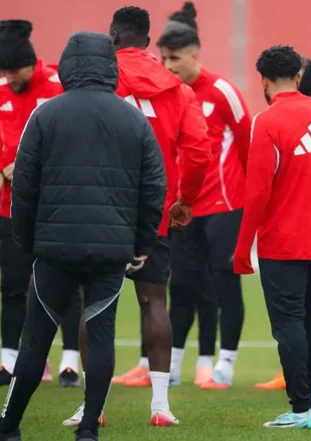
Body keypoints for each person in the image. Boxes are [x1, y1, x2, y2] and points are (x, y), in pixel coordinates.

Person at [0, 30, 166, 441]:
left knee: (35, 339)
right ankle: (89, 428)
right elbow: (153, 187)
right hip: (111, 250)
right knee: (101, 335)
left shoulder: (45, 115)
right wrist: (141, 243)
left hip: (53, 249)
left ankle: (10, 425)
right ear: (110, 67)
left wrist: (27, 240)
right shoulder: (133, 118)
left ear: (69, 66)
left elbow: (24, 186)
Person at [63, 6, 211, 428]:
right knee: (154, 301)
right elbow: (199, 151)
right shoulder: (179, 88)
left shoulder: (98, 81)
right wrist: (185, 200)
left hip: (102, 207)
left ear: (112, 37)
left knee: (96, 304)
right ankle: (160, 406)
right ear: (148, 42)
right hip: (155, 209)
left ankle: (92, 407)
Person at [232, 45, 311, 428]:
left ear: (264, 81)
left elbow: (257, 192)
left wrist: (242, 249)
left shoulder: (266, 122)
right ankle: (309, 406)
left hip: (282, 245)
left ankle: (301, 410)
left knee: (289, 323)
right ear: (299, 76)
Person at [156, 1, 251, 390]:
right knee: (180, 284)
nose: (168, 65)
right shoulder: (167, 94)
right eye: (163, 58)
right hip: (184, 207)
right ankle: (173, 365)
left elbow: (248, 145)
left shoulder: (222, 91)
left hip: (226, 205)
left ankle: (224, 364)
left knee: (224, 282)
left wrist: (254, 203)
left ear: (194, 55)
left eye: (174, 58)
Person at [254, 57, 311, 393]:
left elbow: (258, 190)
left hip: (297, 234)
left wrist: (243, 246)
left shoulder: (276, 120)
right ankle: (309, 383)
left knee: (303, 313)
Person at [0, 19, 82, 388]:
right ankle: (8, 360)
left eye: (13, 71)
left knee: (67, 282)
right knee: (13, 283)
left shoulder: (59, 87)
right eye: (4, 72)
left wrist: (27, 165)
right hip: (10, 207)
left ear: (30, 64)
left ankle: (70, 361)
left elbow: (74, 140)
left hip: (56, 206)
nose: (9, 78)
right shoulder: (1, 91)